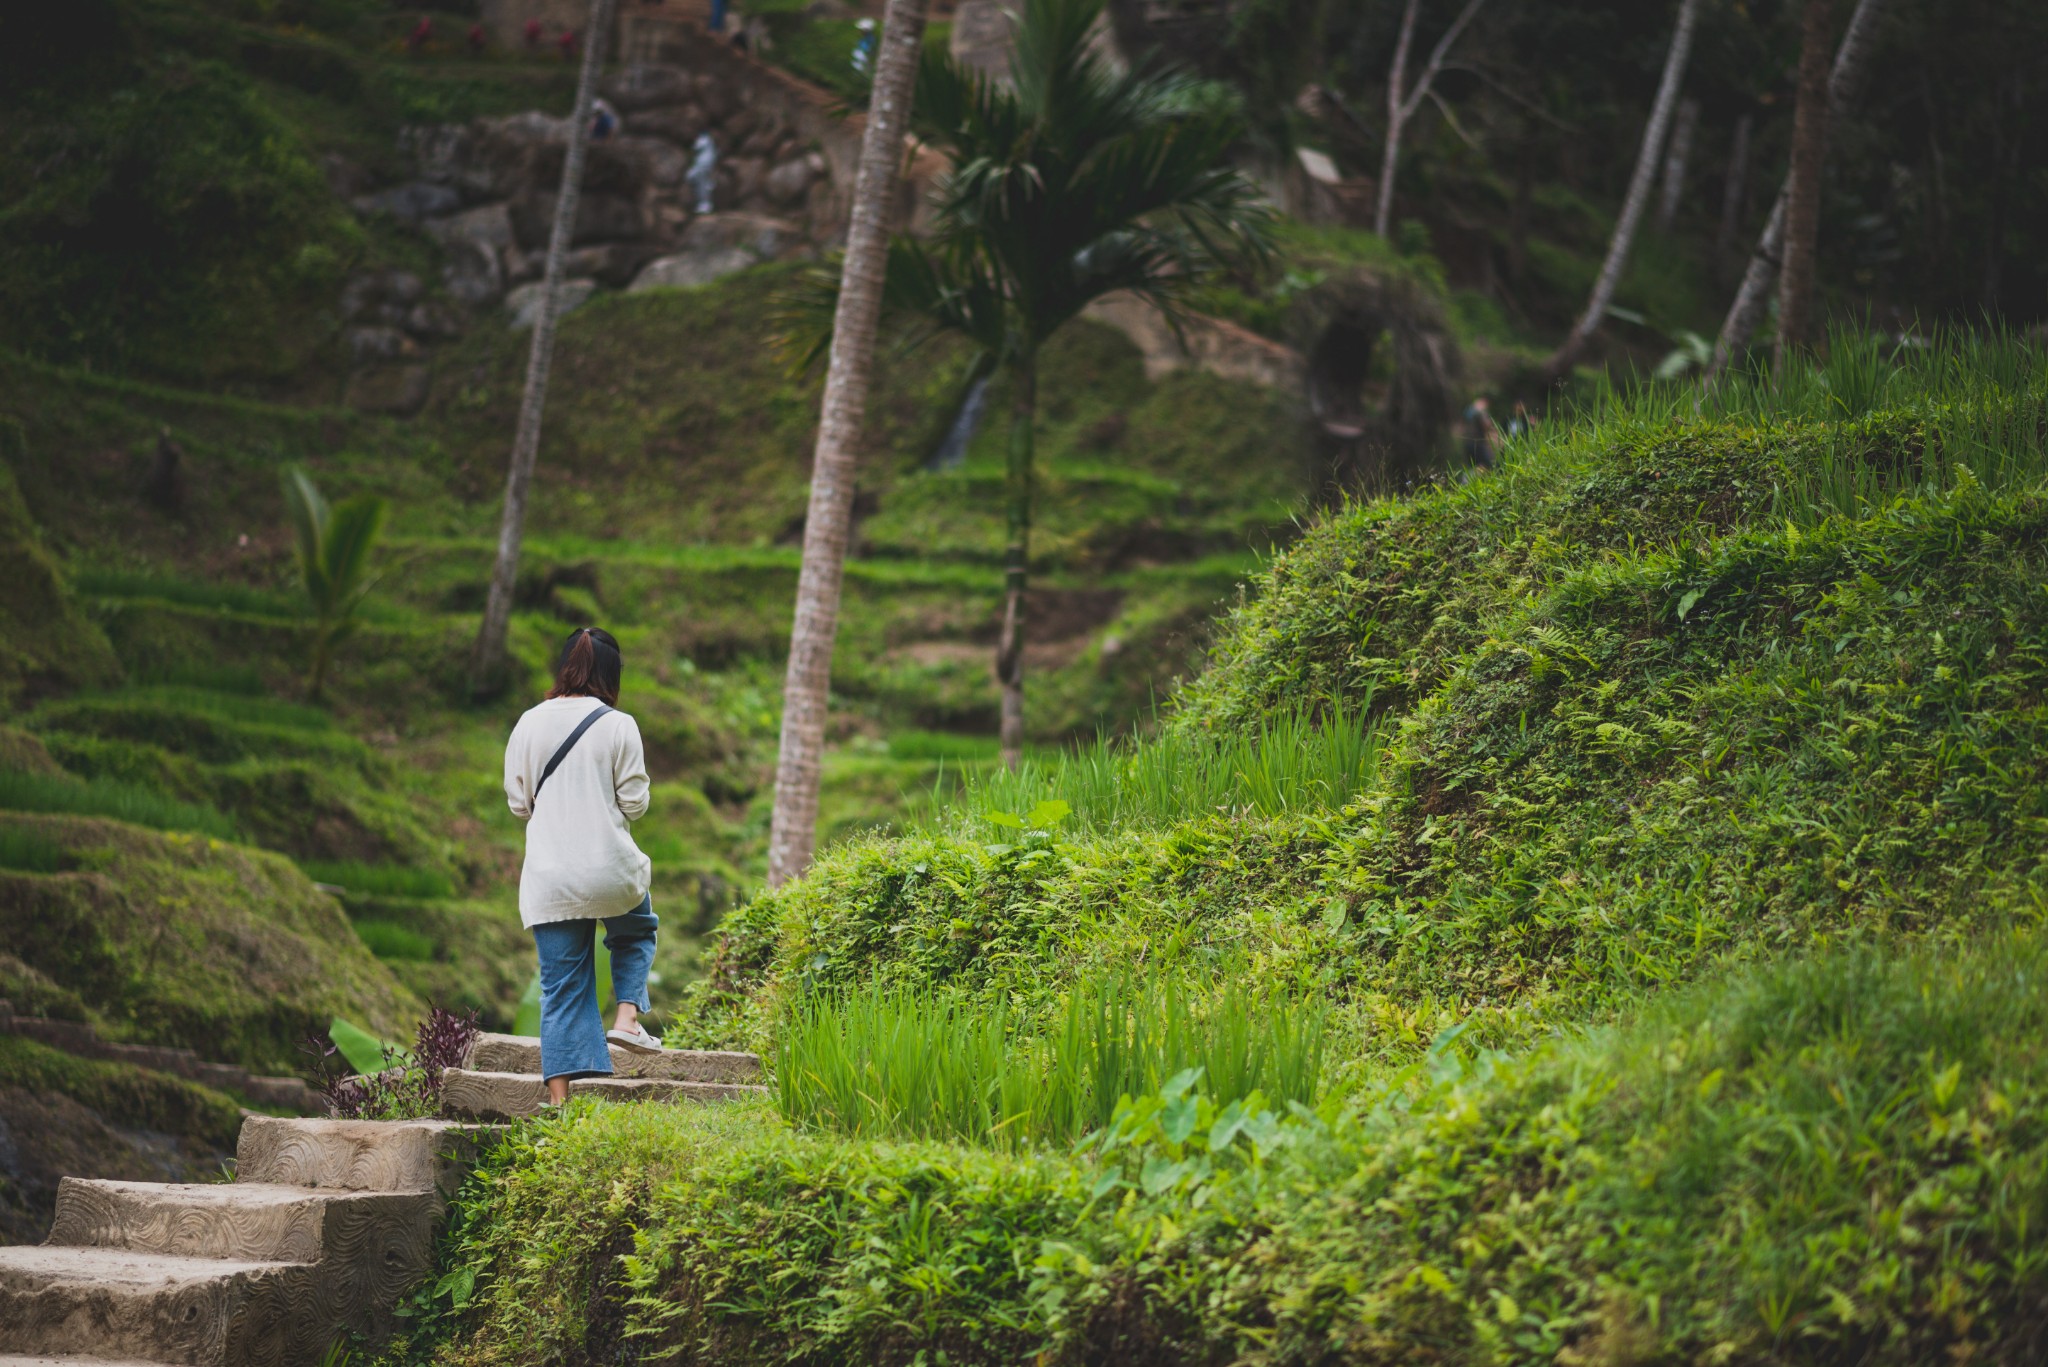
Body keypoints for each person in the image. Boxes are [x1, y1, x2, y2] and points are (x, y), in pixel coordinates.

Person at [504, 627, 664, 1105]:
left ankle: (559, 1103)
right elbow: (635, 805)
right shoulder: (619, 725)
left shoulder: (528, 722)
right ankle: (627, 1019)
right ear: (611, 674)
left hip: (550, 878)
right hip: (609, 871)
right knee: (635, 930)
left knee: (560, 985)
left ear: (564, 667)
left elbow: (518, 804)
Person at [686, 133, 718, 214]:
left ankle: (705, 205)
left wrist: (692, 173)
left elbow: (703, 166)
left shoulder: (708, 151)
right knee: (699, 188)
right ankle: (702, 204)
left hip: (703, 176)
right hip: (700, 176)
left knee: (704, 189)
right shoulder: (702, 154)